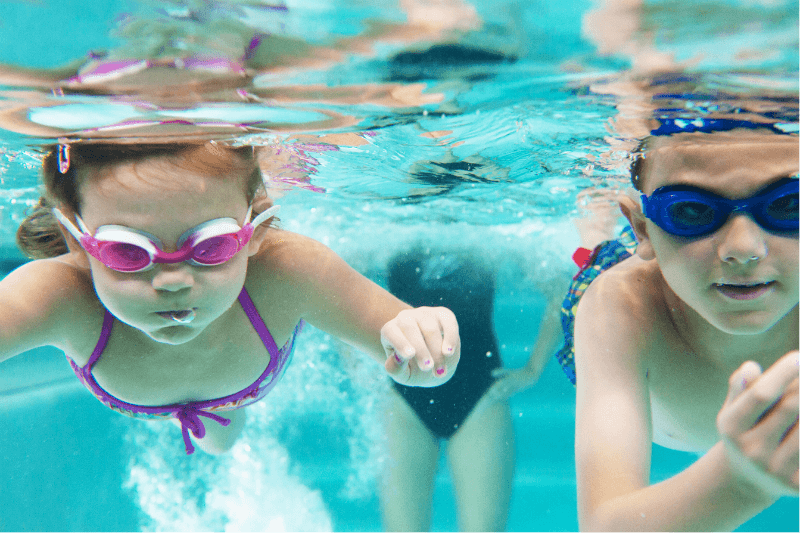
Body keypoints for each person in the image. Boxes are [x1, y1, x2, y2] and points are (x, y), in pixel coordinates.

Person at [0, 140, 460, 456]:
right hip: (157, 394)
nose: (173, 281)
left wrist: (427, 346)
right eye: (127, 251)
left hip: (233, 397)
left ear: (253, 232)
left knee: (222, 439)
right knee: (217, 440)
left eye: (211, 246)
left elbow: (415, 342)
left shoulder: (290, 270)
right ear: (77, 241)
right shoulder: (58, 294)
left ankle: (217, 423)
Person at [557, 126, 798, 531]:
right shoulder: (621, 308)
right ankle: (598, 233)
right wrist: (740, 483)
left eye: (790, 204)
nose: (743, 248)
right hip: (645, 283)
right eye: (691, 210)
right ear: (643, 229)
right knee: (594, 258)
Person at [379, 248, 561, 532]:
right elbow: (334, 284)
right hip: (409, 401)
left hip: (479, 396)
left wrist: (534, 369)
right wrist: (358, 366)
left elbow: (562, 292)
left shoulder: (484, 229)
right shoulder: (390, 225)